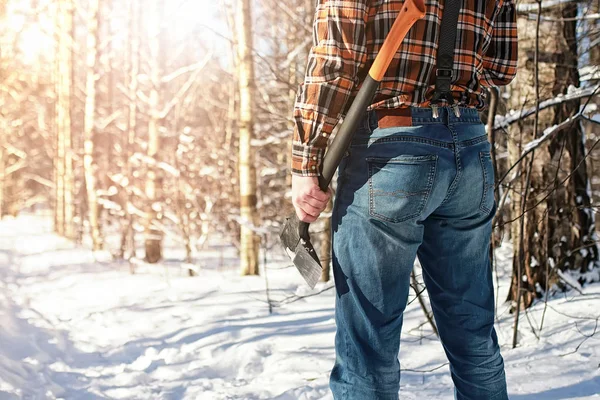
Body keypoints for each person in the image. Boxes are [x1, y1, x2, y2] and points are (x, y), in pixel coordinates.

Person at [290, 0, 518, 399]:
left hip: (393, 147)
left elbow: (334, 62)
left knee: (368, 343)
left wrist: (306, 160)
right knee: (473, 330)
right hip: (469, 147)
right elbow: (502, 68)